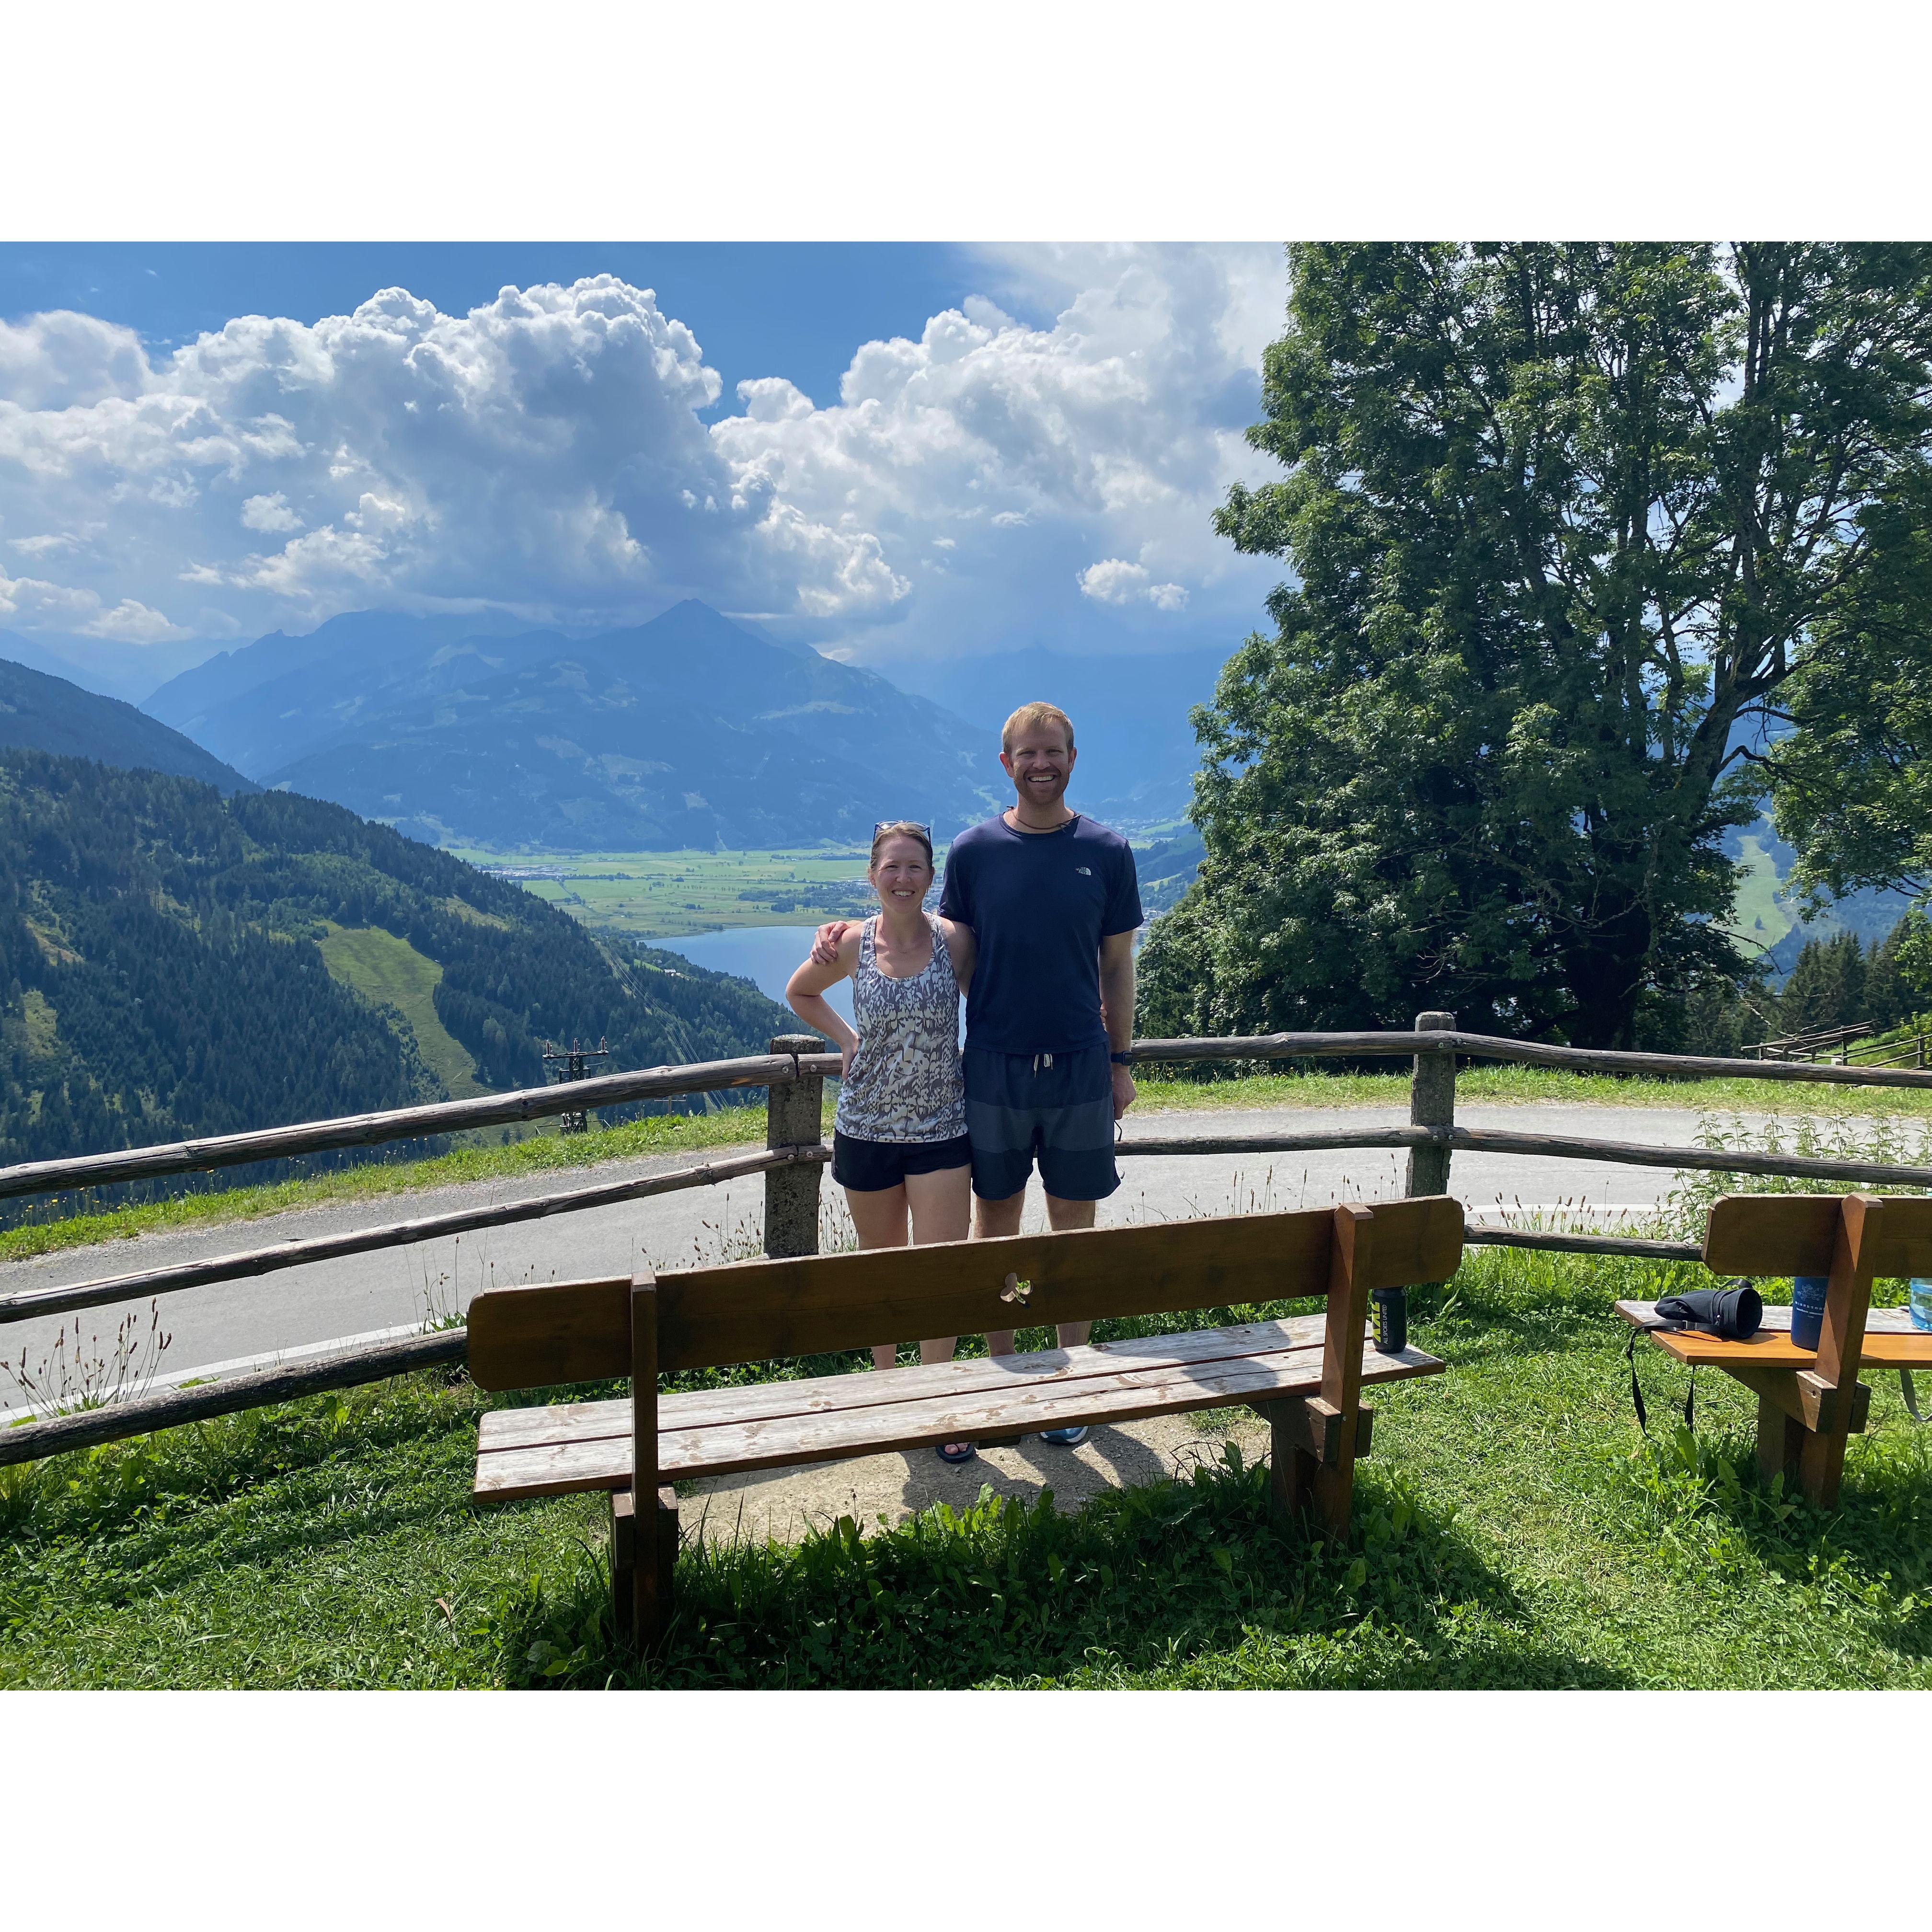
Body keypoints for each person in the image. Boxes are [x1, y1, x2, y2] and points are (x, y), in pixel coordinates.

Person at [811, 701, 1141, 1449]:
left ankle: (1070, 1384)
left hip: (1082, 1068)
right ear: (1006, 764)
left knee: (1073, 1231)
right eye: (1027, 754)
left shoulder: (1108, 850)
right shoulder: (975, 850)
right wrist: (843, 934)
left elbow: (1118, 966)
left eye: (1053, 751)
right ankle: (1003, 1377)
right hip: (991, 1068)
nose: (1041, 764)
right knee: (994, 1229)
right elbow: (927, 933)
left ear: (1072, 757)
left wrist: (1120, 1061)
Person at [786, 820, 981, 1464]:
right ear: (873, 875)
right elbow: (800, 992)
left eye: (915, 867)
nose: (902, 878)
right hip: (865, 1129)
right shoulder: (848, 943)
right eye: (891, 867)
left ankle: (940, 1403)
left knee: (942, 1272)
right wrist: (846, 1039)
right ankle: (889, 1392)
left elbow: (989, 1002)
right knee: (883, 1269)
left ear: (932, 878)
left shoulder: (955, 939)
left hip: (942, 1131)